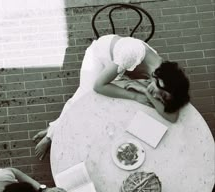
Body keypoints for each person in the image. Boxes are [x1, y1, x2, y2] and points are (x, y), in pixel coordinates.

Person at [33, 34, 190, 159]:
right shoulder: (133, 54)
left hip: (120, 69)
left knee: (118, 102)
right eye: (160, 94)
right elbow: (99, 86)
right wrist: (135, 96)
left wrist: (145, 92)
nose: (158, 97)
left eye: (162, 97)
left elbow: (172, 117)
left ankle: (53, 128)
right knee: (84, 97)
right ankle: (51, 136)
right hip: (99, 58)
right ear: (158, 79)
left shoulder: (164, 75)